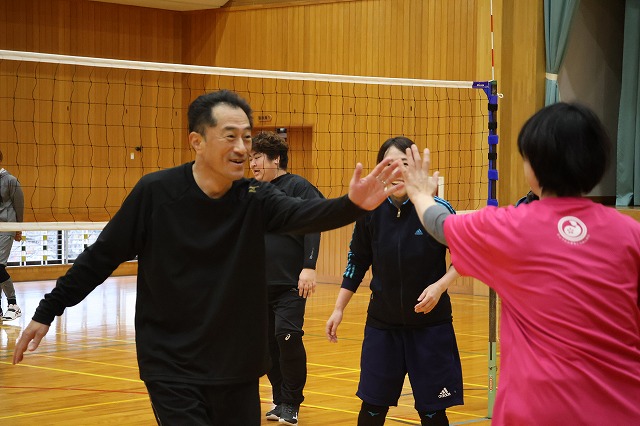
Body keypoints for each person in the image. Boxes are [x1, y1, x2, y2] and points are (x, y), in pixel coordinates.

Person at [12, 90, 405, 425]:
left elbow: (307, 215)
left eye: (246, 137)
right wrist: (48, 310)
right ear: (196, 141)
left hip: (237, 367)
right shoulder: (156, 194)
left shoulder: (255, 198)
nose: (242, 148)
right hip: (172, 365)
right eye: (229, 136)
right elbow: (100, 257)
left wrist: (353, 203)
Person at [402, 102, 640, 425]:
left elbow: (439, 224)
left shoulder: (510, 227)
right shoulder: (631, 234)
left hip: (537, 413)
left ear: (534, 166)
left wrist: (419, 194)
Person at [325, 136, 463, 426]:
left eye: (404, 163)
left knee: (433, 412)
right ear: (381, 170)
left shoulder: (436, 209)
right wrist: (338, 308)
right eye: (390, 164)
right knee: (372, 408)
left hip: (430, 326)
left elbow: (465, 257)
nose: (397, 171)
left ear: (415, 168)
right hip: (383, 326)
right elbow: (357, 261)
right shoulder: (370, 212)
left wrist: (439, 287)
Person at [249, 131, 323, 425]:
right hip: (257, 285)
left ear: (275, 159)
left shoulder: (298, 186)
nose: (252, 164)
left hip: (290, 284)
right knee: (267, 346)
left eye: (257, 157)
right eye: (250, 158)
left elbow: (314, 222)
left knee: (287, 338)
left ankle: (292, 402)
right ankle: (279, 399)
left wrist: (309, 266)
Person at [0, 150, 24, 322]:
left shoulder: (11, 180)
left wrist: (18, 229)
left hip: (7, 227)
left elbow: (19, 206)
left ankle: (13, 305)